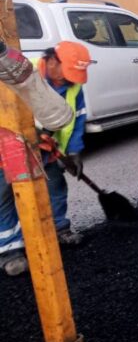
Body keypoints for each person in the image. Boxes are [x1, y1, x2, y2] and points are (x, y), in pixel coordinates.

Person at [0, 41, 90, 277]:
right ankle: (10, 250)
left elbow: (77, 119)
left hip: (46, 149)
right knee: (5, 196)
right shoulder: (18, 72)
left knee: (55, 186)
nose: (68, 79)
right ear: (51, 61)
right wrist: (31, 132)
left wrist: (74, 152)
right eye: (66, 72)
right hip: (9, 148)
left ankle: (59, 229)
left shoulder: (73, 86)